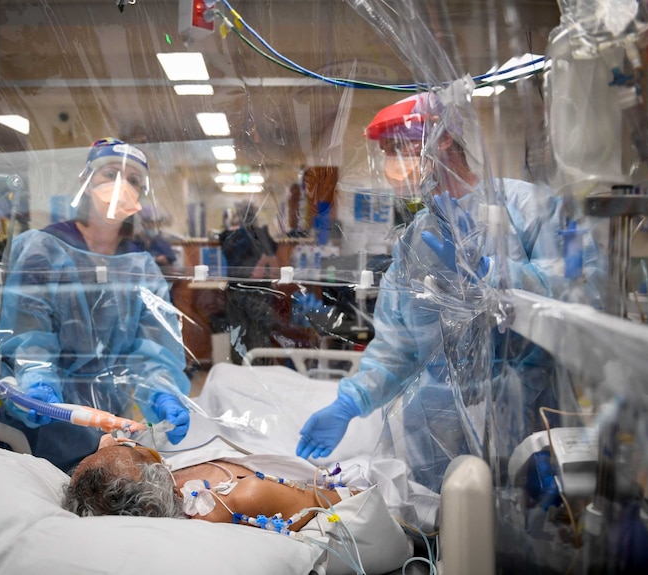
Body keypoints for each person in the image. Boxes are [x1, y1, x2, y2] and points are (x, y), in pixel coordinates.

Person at [296, 92, 606, 493]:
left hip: (529, 416)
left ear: (443, 139)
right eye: (388, 152)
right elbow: (398, 347)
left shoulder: (528, 207)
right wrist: (350, 403)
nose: (394, 164)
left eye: (401, 148)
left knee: (531, 538)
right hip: (435, 430)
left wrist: (495, 276)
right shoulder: (413, 243)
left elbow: (583, 291)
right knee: (445, 534)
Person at [0, 138, 192, 472]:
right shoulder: (44, 250)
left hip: (108, 422)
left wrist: (161, 392)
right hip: (41, 418)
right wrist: (36, 382)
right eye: (110, 173)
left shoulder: (139, 266)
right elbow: (27, 332)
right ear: (85, 183)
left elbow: (154, 348)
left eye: (133, 181)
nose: (121, 186)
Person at [63, 433, 354, 532]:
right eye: (128, 448)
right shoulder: (244, 497)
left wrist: (111, 454)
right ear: (152, 478)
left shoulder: (159, 487)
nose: (110, 439)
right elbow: (350, 501)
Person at [219, 201, 281, 363]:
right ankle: (258, 376)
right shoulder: (256, 235)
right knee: (257, 336)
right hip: (254, 294)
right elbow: (271, 266)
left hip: (241, 294)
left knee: (240, 337)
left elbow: (268, 267)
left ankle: (245, 375)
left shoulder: (231, 236)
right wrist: (261, 266)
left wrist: (260, 267)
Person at [136, 204, 177, 271]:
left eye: (154, 223)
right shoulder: (137, 242)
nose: (150, 226)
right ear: (142, 224)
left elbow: (170, 263)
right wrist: (155, 258)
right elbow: (133, 260)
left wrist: (163, 260)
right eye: (148, 223)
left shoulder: (162, 242)